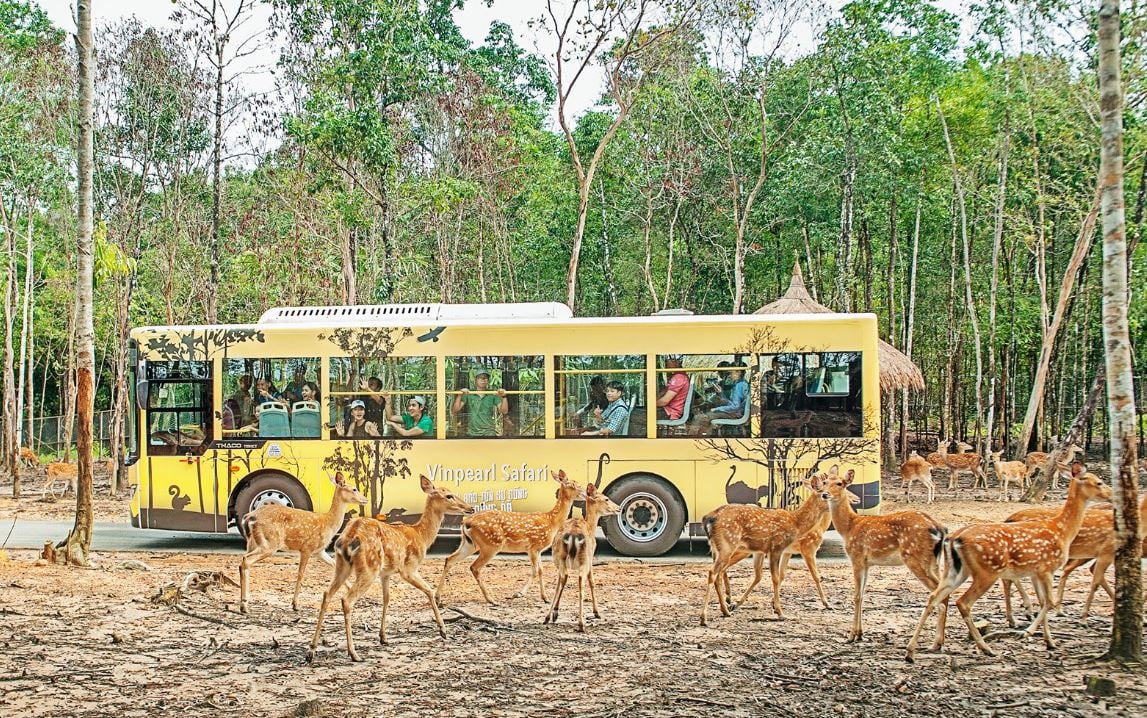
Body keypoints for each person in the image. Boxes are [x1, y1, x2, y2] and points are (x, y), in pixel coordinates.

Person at [689, 364, 749, 435]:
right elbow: (731, 403)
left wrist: (716, 409)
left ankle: (692, 438)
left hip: (735, 414)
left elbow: (735, 407)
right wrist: (720, 393)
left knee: (699, 417)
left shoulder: (740, 385)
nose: (729, 376)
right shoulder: (740, 383)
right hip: (734, 412)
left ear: (738, 372)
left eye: (731, 373)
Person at [451, 369, 508, 437]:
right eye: (480, 378)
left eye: (485, 378)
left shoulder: (492, 394)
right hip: (472, 433)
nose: (483, 380)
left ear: (488, 381)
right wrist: (460, 395)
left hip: (489, 433)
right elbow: (455, 410)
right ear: (475, 380)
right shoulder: (469, 394)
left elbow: (504, 411)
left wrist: (504, 396)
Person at [655, 355, 690, 421]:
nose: (665, 362)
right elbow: (663, 393)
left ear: (676, 361)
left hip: (669, 413)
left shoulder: (679, 378)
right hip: (667, 410)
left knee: (636, 415)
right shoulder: (678, 377)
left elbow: (664, 401)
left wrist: (650, 404)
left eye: (668, 359)